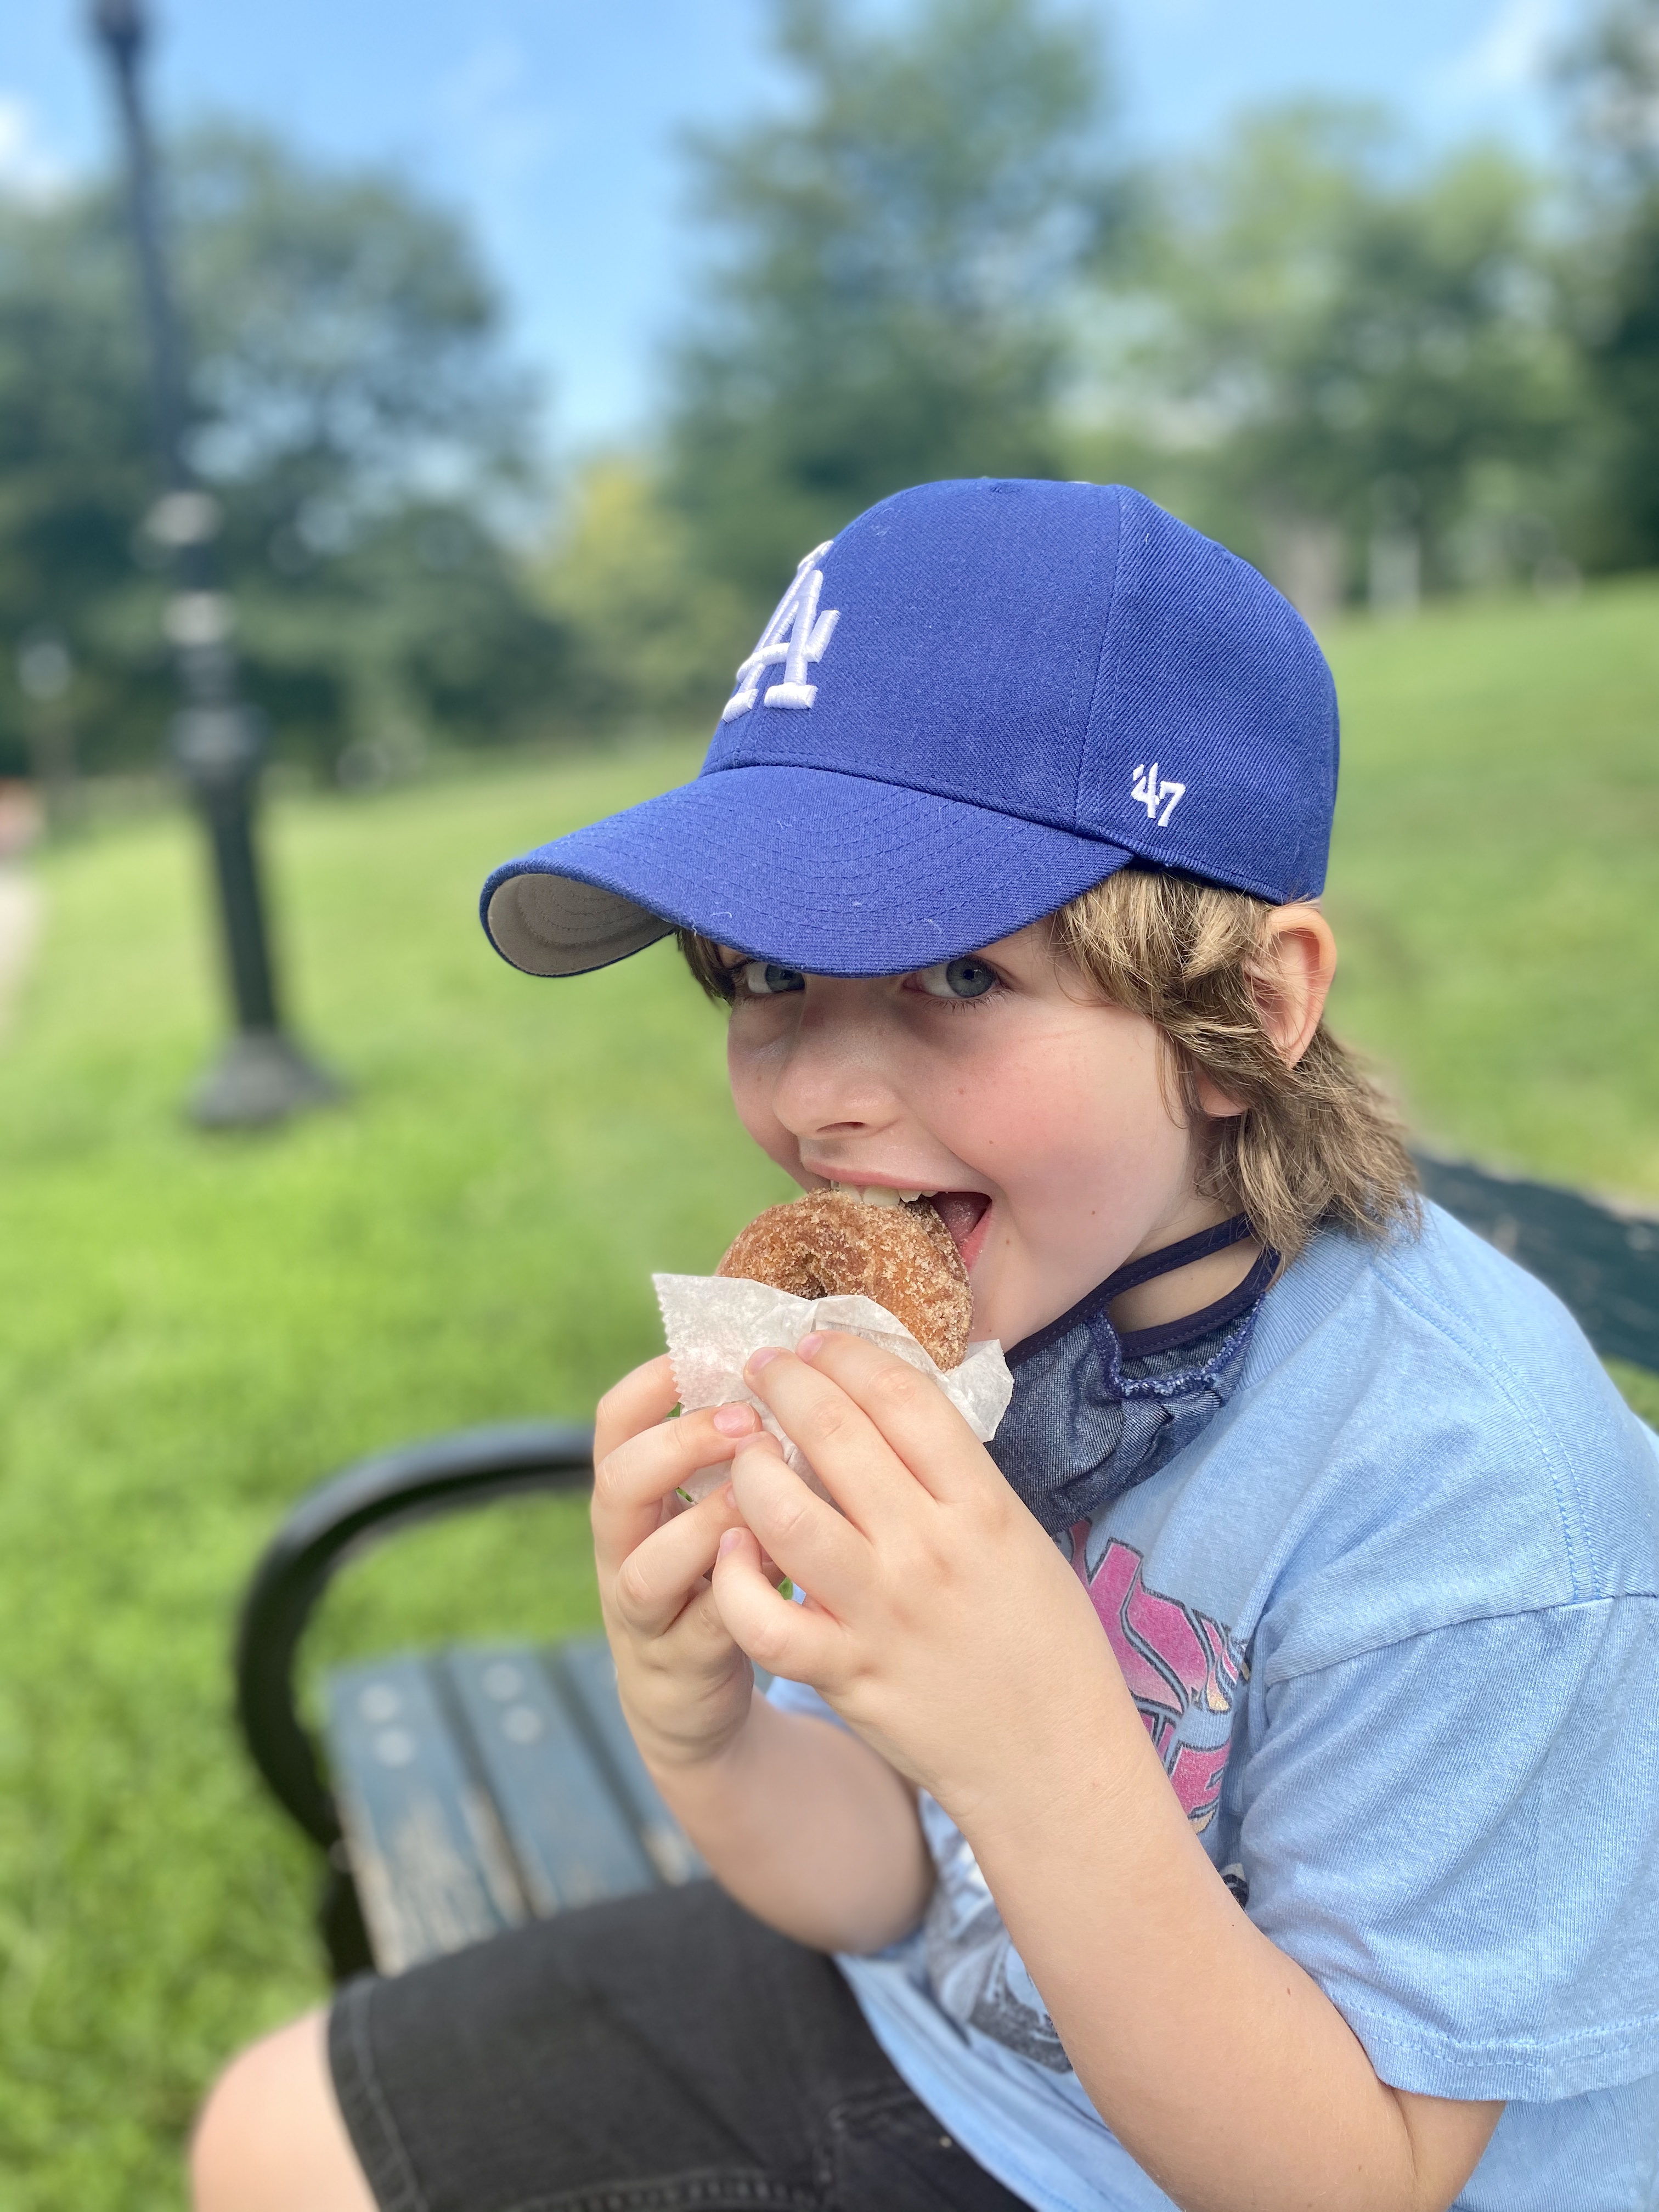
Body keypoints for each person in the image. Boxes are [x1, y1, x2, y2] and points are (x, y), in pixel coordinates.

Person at [192, 481, 1659, 2212]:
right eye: (758, 977)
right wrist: (705, 1730)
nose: (817, 1095)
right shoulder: (977, 1332)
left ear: (1247, 1015)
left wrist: (1038, 1744)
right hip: (932, 2033)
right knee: (267, 2130)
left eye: (957, 975)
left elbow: (1363, 2178)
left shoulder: (1474, 1499)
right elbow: (892, 1880)